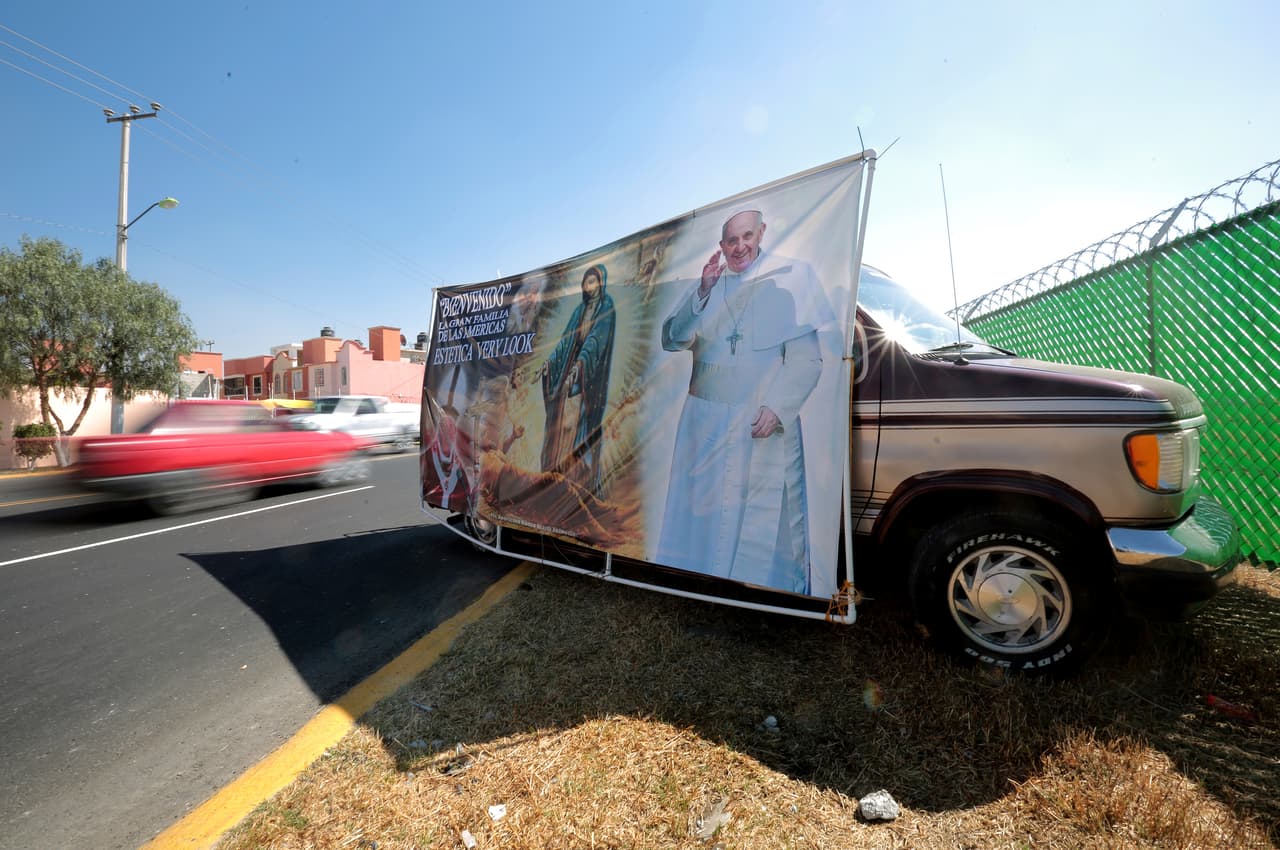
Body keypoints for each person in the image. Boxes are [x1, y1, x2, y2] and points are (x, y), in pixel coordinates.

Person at [657, 209, 834, 594]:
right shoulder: (710, 282)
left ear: (762, 233)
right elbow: (671, 338)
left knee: (757, 521)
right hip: (703, 423)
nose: (740, 247)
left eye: (747, 236)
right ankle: (694, 584)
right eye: (731, 241)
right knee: (700, 518)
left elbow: (807, 359)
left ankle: (755, 593)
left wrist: (776, 407)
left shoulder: (791, 278)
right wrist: (702, 291)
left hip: (757, 423)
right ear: (722, 246)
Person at [540, 263, 616, 496]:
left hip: (587, 378)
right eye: (585, 282)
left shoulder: (606, 306)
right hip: (568, 372)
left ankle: (579, 480)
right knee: (560, 421)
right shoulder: (579, 311)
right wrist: (550, 362)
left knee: (578, 425)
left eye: (592, 281)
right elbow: (565, 341)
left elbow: (595, 341)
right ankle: (556, 475)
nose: (587, 286)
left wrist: (581, 364)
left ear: (600, 282)